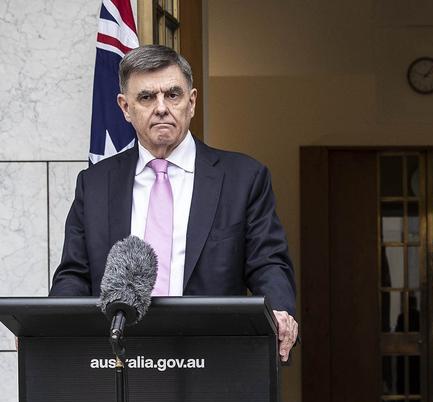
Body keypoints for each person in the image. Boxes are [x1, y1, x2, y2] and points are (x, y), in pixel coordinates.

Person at [50, 44, 299, 362]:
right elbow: (75, 274)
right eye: (146, 97)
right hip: (119, 360)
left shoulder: (244, 178)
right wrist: (47, 329)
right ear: (125, 108)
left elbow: (268, 263)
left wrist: (279, 311)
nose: (161, 107)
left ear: (191, 102)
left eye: (172, 95)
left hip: (213, 359)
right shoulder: (95, 184)